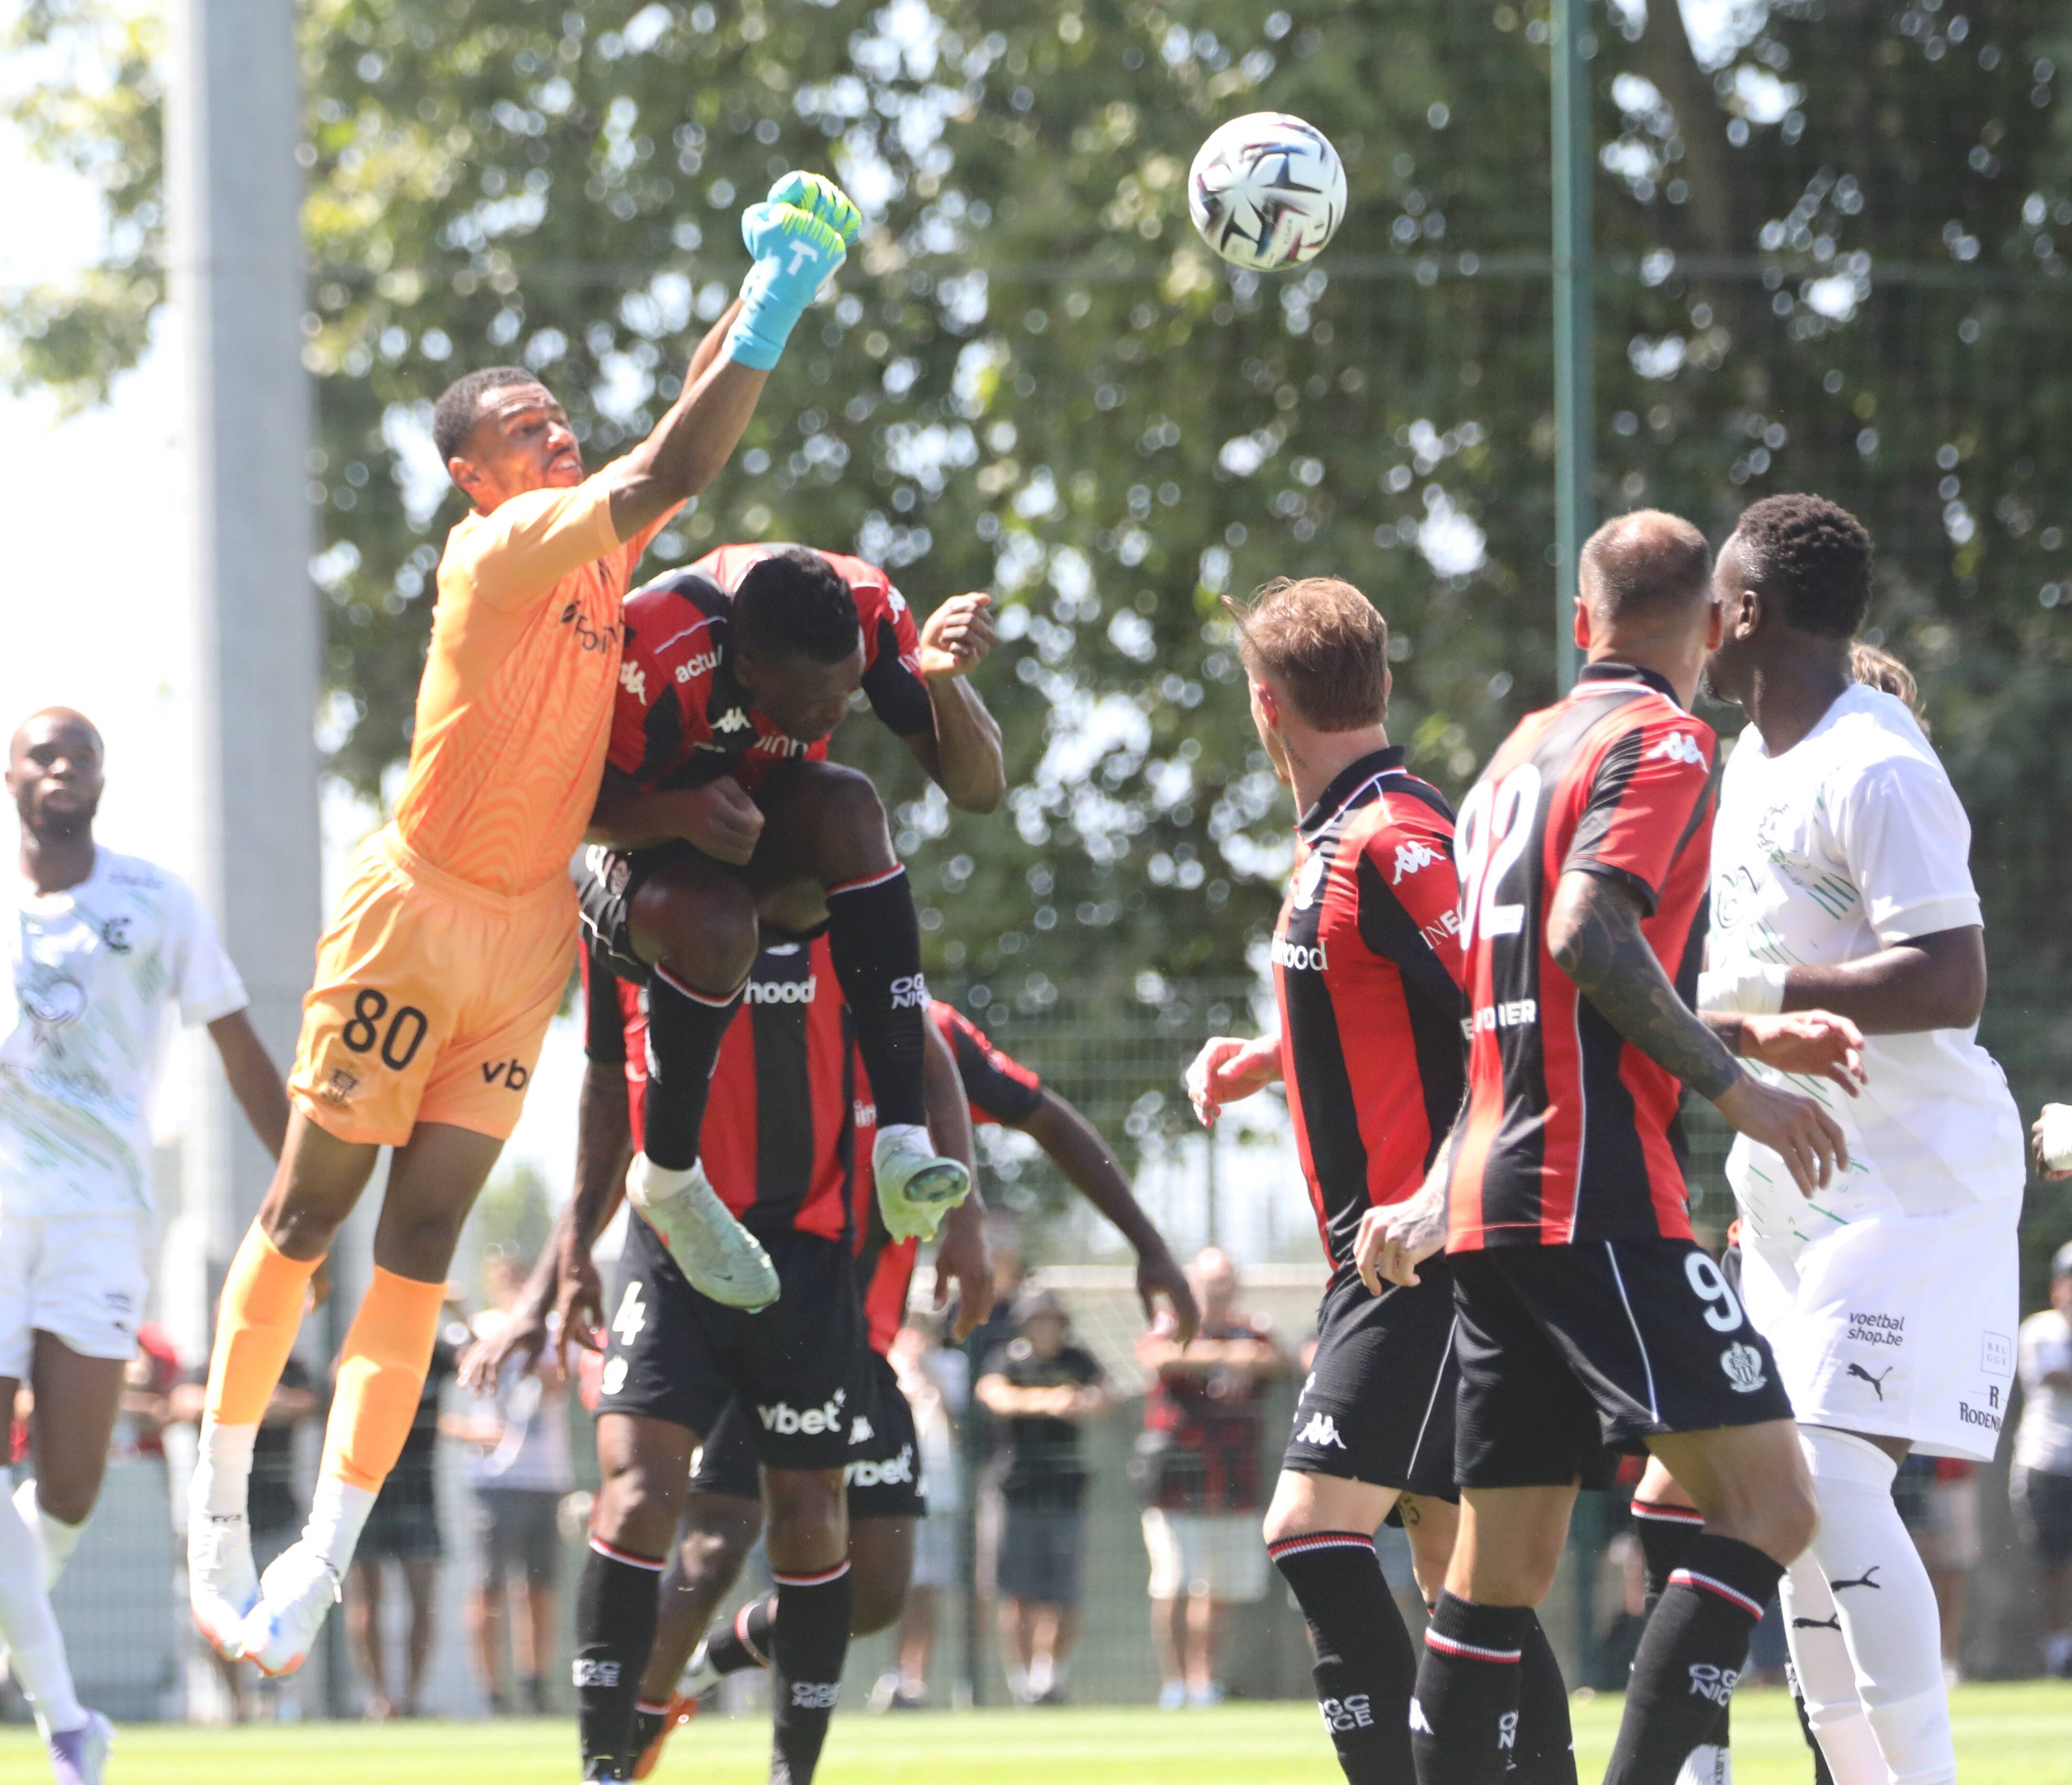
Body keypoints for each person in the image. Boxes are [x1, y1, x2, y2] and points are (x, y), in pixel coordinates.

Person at [185, 171, 856, 1677]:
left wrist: (746, 283)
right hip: (412, 920)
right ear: (475, 480)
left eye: (562, 421)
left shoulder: (595, 545)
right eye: (528, 433)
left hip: (527, 939)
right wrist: (783, 294)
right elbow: (674, 454)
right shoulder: (505, 553)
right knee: (308, 1215)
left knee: (420, 1242)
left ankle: (319, 1561)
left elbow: (678, 442)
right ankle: (218, 1511)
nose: (557, 437)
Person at [1364, 509, 1869, 1785]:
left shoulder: (1507, 762)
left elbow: (1553, 969)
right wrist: (1735, 1087)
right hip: (1588, 1189)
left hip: (1487, 1193)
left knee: (1501, 1571)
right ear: (1710, 627)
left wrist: (1742, 1027)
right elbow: (1590, 936)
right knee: (1770, 1502)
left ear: (1580, 624)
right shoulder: (1664, 739)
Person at [1183, 574, 1571, 1783]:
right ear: (1382, 684)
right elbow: (1378, 1005)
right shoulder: (1335, 837)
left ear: (1262, 707)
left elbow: (1508, 1026)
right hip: (1403, 1249)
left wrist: (1431, 1194)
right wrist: (1273, 1057)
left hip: (1423, 1253)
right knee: (1463, 1569)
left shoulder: (1396, 838)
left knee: (1307, 1534)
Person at [1687, 495, 2021, 1785]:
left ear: (1751, 614)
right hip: (1790, 1185)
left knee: (1820, 1472)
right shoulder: (1747, 762)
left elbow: (1949, 980)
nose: (1700, 628)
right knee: (1784, 1494)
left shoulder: (1875, 761)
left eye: (1715, 603)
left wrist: (1762, 1007)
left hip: (1914, 1181)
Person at [528, 933, 990, 1785]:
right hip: (671, 1250)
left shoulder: (836, 885)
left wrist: (965, 1219)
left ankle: (788, 1768)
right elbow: (603, 1082)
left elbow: (930, 1055)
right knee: (638, 1494)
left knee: (819, 1521)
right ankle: (603, 1762)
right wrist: (563, 1262)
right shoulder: (627, 903)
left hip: (810, 1266)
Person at [575, 538, 1005, 1314]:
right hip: (640, 872)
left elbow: (980, 792)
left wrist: (942, 686)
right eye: (814, 707)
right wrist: (677, 812)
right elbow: (565, 816)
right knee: (718, 923)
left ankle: (901, 1137)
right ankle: (670, 1176)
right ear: (746, 668)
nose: (836, 714)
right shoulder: (654, 646)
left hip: (755, 851)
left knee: (851, 805)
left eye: (849, 695)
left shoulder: (868, 611)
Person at [2, 707, 290, 1783]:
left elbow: (239, 1044)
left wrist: (305, 1197)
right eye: (43, 752)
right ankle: (69, 1720)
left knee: (69, 1488)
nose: (63, 766)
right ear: (12, 776)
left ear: (102, 779)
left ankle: (20, 1656)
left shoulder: (156, 901)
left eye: (80, 753)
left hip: (101, 1221)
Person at [1135, 1247, 1285, 1712]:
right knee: (1173, 1585)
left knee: (1216, 1590)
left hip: (1234, 1481)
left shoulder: (1253, 1330)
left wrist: (1233, 1355)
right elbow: (1158, 1358)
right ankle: (1174, 1683)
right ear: (1193, 1284)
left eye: (1226, 1282)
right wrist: (1226, 1355)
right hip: (1178, 1481)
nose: (1218, 1290)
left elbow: (1277, 1361)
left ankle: (1205, 1683)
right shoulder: (1173, 1325)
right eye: (1210, 1282)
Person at [974, 1287, 1110, 1706]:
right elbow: (992, 1394)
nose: (1045, 1327)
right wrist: (1048, 1401)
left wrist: (1084, 1401)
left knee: (1064, 1593)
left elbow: (1111, 1394)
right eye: (1038, 1319)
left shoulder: (1078, 1360)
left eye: (1052, 1319)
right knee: (1017, 1591)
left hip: (1066, 1490)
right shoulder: (1007, 1358)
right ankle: (1021, 1683)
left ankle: (1048, 1678)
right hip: (1016, 1489)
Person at [460, 1253, 574, 1716]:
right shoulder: (475, 1327)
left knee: (538, 1586)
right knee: (487, 1586)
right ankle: (493, 1694)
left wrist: (525, 1337)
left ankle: (535, 1685)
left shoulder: (549, 1328)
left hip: (544, 1477)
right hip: (492, 1479)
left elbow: (557, 1383)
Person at [346, 1303, 466, 1719]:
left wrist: (460, 1313)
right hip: (370, 1490)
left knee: (422, 1599)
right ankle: (379, 1700)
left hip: (420, 1494)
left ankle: (412, 1700)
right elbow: (336, 1384)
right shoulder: (366, 1348)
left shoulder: (436, 1352)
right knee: (368, 1600)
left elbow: (482, 1362)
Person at [878, 1318, 969, 1711]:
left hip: (939, 1497)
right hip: (890, 1493)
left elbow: (961, 1423)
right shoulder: (883, 1364)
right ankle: (895, 1675)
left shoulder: (951, 1366)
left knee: (927, 1590)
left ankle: (918, 1679)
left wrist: (930, 1376)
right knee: (893, 1591)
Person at [2012, 1239, 2072, 1677]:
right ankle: (2059, 1652)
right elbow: (2053, 1376)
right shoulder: (2041, 1328)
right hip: (2047, 1462)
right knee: (2052, 1564)